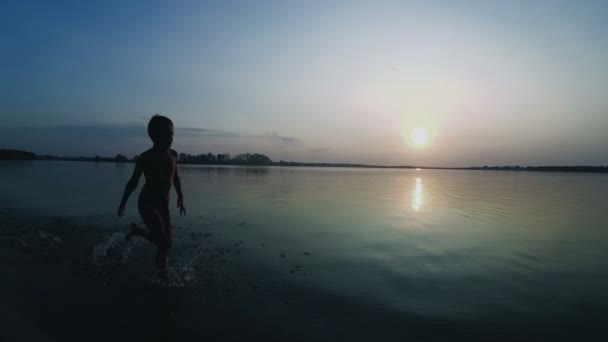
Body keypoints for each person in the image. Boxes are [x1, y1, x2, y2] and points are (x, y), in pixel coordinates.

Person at [117, 114, 186, 276]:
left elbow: (176, 178)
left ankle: (161, 270)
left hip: (163, 205)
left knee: (167, 244)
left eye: (172, 133)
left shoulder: (173, 155)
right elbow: (133, 182)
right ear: (154, 135)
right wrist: (123, 202)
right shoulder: (145, 157)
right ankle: (160, 275)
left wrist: (181, 197)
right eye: (168, 133)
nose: (171, 137)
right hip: (146, 203)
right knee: (163, 243)